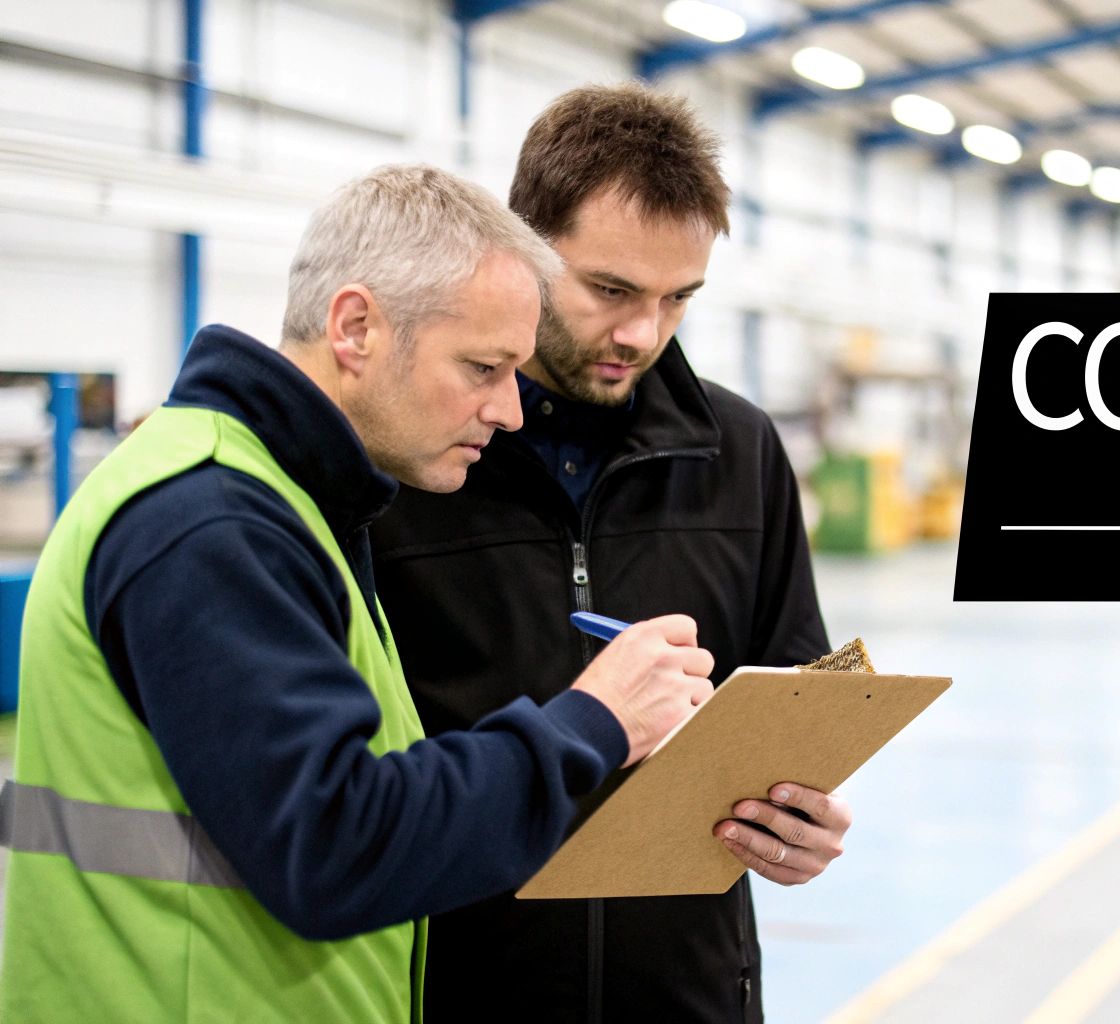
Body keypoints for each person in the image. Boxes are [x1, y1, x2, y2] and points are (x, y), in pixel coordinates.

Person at [0, 164, 715, 1023]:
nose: (510, 411)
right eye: (483, 368)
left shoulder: (297, 504)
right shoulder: (210, 523)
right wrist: (594, 720)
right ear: (356, 328)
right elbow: (333, 845)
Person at [370, 84, 849, 1022]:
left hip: (689, 995)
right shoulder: (411, 459)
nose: (643, 333)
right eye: (611, 290)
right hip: (464, 992)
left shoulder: (740, 453)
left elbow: (794, 690)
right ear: (522, 247)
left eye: (678, 299)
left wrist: (800, 818)